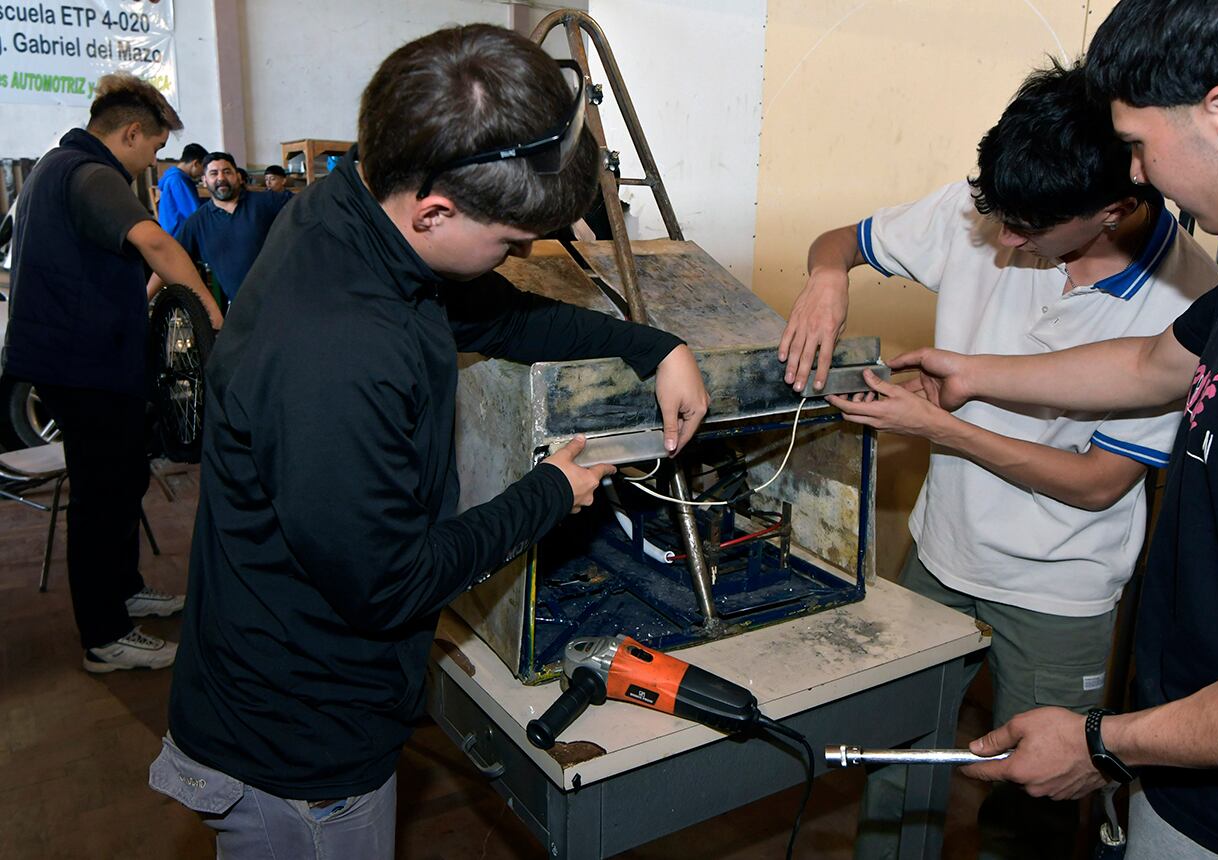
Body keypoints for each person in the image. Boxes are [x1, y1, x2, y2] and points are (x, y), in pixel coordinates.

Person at [149, 24, 709, 857]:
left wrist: (653, 345)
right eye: (509, 243)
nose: (512, 257)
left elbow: (498, 315)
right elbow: (389, 585)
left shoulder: (356, 212)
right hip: (301, 755)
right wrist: (551, 493)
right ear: (436, 209)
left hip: (313, 690)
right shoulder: (335, 350)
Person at [877, 3, 1218, 858]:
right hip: (1188, 766)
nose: (1137, 172)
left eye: (1138, 144)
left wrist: (1106, 744)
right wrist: (975, 373)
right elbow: (1148, 366)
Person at [778, 62, 1218, 860]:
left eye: (1028, 231)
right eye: (997, 214)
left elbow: (1096, 484)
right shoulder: (984, 210)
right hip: (942, 553)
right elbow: (841, 239)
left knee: (1037, 801)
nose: (1004, 240)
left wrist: (941, 427)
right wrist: (824, 277)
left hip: (1059, 589)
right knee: (898, 763)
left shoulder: (1190, 302)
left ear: (1113, 207)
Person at [1, 74, 222, 672]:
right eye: (153, 148)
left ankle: (123, 589)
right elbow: (156, 243)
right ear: (129, 132)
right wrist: (213, 320)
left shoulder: (55, 168)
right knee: (101, 497)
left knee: (121, 482)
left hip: (85, 362)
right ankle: (105, 636)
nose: (154, 161)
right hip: (83, 366)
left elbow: (114, 264)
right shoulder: (88, 173)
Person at [159, 152, 293, 304]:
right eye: (214, 173)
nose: (221, 178)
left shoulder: (267, 203)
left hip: (286, 299)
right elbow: (169, 259)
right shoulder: (198, 223)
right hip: (242, 309)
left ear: (238, 176)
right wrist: (146, 297)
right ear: (204, 180)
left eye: (227, 172)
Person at [156, 141, 207, 236]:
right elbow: (194, 214)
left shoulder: (172, 177)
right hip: (178, 236)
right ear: (195, 163)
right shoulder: (178, 180)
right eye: (203, 168)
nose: (203, 173)